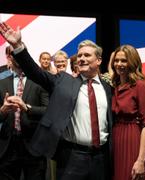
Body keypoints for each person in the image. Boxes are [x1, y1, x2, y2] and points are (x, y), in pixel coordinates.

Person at [0, 23, 113, 180]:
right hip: (72, 157)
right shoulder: (63, 81)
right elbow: (36, 73)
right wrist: (18, 46)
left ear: (99, 60)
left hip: (101, 157)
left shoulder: (108, 88)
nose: (81, 59)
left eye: (87, 55)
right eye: (79, 55)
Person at [0, 45, 49, 180]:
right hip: (7, 147)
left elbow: (48, 111)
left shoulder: (41, 81)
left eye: (20, 52)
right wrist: (2, 110)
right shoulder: (1, 83)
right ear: (9, 57)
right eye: (13, 54)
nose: (17, 56)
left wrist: (27, 107)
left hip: (34, 145)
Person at [110, 45, 145, 180]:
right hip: (115, 140)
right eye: (116, 60)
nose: (119, 64)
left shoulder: (141, 87)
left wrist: (141, 160)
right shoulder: (115, 87)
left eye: (124, 61)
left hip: (133, 140)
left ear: (133, 62)